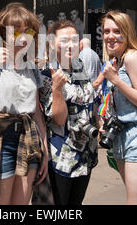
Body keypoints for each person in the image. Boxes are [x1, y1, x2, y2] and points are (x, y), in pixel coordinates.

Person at [0, 2, 49, 205]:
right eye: (16, 31)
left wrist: (45, 150)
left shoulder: (31, 66)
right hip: (1, 138)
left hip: (29, 139)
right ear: (3, 33)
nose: (23, 37)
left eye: (28, 31)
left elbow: (37, 112)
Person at [96, 10, 137, 205]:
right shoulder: (118, 60)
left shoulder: (133, 58)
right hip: (123, 136)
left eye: (117, 31)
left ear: (127, 33)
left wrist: (116, 80)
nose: (110, 36)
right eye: (106, 31)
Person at [39, 20, 99, 205]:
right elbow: (58, 119)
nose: (70, 44)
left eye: (74, 39)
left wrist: (99, 122)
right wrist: (57, 89)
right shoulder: (47, 72)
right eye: (64, 40)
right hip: (63, 156)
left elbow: (89, 100)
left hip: (86, 153)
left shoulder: (79, 64)